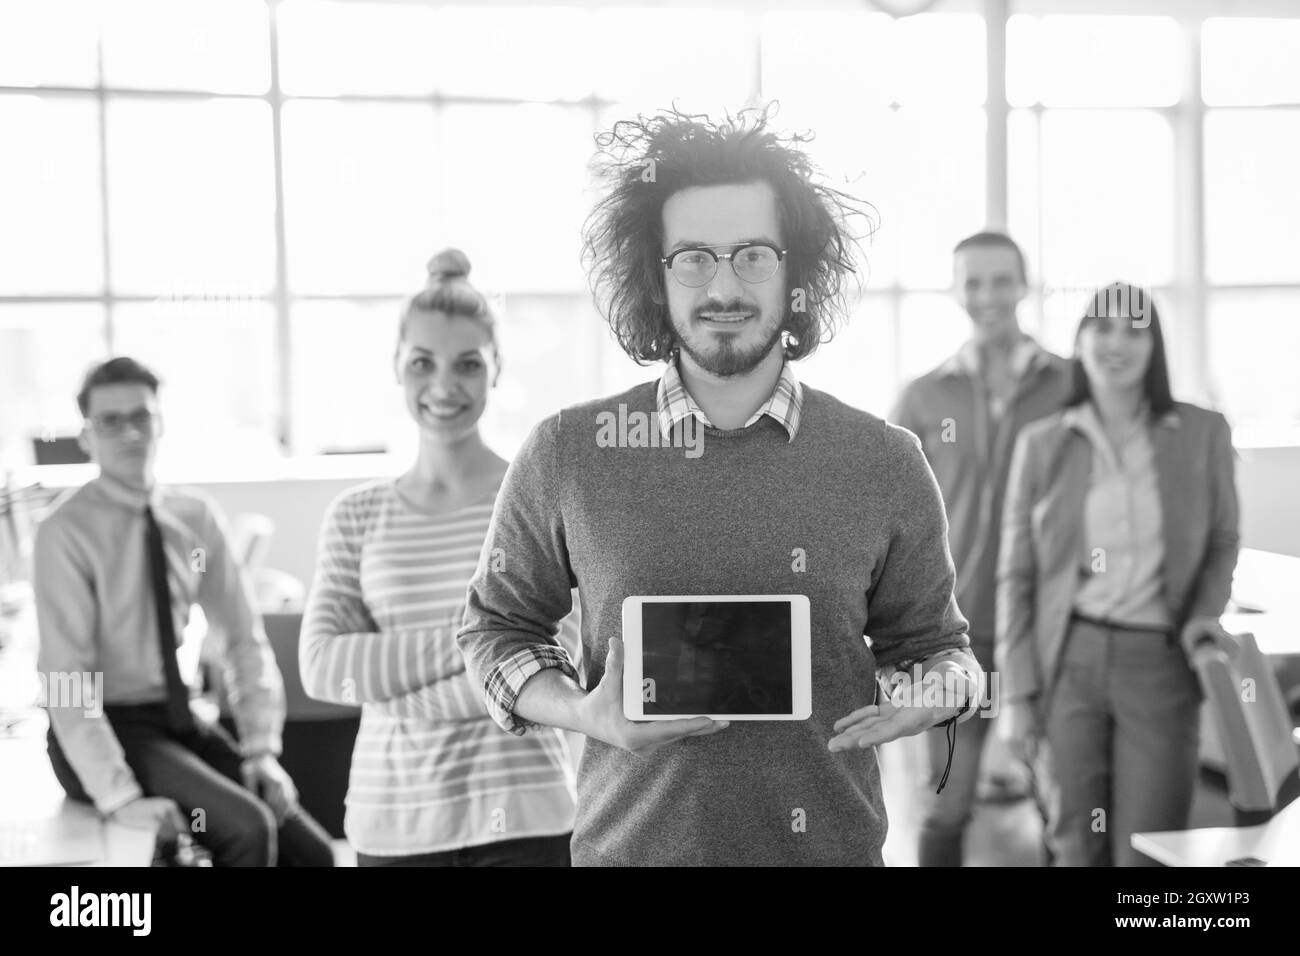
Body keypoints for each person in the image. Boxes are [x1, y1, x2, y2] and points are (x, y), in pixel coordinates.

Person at [456, 107, 983, 867]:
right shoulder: (569, 452)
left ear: (795, 270)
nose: (724, 285)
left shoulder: (885, 461)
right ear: (654, 272)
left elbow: (940, 647)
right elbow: (494, 630)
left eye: (753, 256)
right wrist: (582, 712)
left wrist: (939, 690)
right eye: (694, 257)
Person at [300, 250, 578, 866]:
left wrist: (389, 689)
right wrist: (487, 644)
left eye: (468, 364)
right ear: (397, 368)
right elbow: (324, 667)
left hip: (527, 819)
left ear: (496, 369)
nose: (444, 386)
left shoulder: (539, 498)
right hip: (393, 822)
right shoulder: (356, 514)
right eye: (422, 363)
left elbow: (565, 660)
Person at [33, 356, 334, 866]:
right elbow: (65, 678)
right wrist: (118, 795)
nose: (129, 432)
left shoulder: (194, 517)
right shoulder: (64, 532)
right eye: (110, 421)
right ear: (87, 437)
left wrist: (261, 747)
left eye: (141, 417)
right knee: (249, 829)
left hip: (177, 720)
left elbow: (243, 637)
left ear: (160, 423)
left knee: (314, 855)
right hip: (104, 725)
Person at [997, 282, 1240, 867]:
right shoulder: (1043, 444)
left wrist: (1204, 615)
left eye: (1135, 331)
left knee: (1147, 852)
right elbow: (1017, 574)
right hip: (1068, 658)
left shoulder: (1202, 432)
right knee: (1076, 843)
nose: (1117, 344)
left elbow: (1222, 541)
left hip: (1158, 661)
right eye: (1102, 328)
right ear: (1079, 341)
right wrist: (1018, 694)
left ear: (1155, 346)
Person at [890, 231, 1071, 866]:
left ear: (1023, 285)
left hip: (1053, 630)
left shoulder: (1072, 384)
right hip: (950, 638)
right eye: (973, 282)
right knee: (946, 804)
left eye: (1001, 280)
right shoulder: (922, 396)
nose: (987, 296)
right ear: (955, 290)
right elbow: (891, 519)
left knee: (1066, 809)